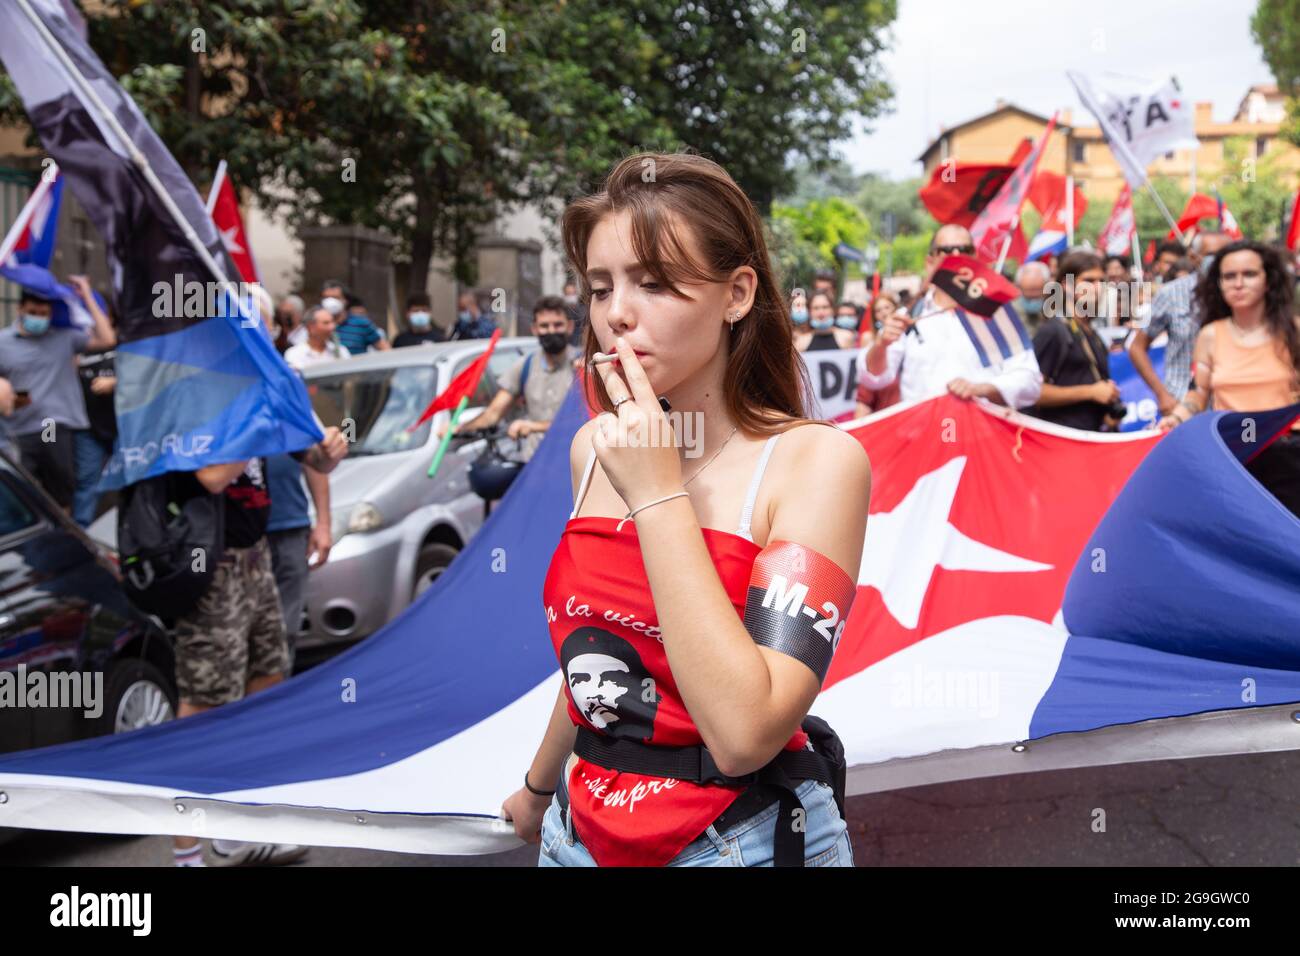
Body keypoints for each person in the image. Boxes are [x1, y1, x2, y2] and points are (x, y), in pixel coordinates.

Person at [500, 151, 868, 868]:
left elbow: (745, 731)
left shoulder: (815, 463)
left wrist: (659, 494)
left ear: (737, 294)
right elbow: (600, 655)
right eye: (600, 288)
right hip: (574, 835)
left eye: (654, 283)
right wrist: (539, 788)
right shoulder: (591, 450)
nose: (616, 316)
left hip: (744, 841)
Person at [1156, 240, 1300, 516]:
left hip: (1289, 457)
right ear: (1218, 284)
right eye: (1229, 276)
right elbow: (1198, 392)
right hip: (1234, 456)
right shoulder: (1210, 335)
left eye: (1249, 274)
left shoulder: (1293, 332)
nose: (1238, 283)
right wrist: (1175, 419)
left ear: (1268, 280)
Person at [857, 257, 1043, 408]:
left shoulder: (994, 315)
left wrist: (984, 389)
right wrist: (882, 345)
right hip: (922, 437)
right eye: (946, 251)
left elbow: (1030, 381)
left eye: (963, 251)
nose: (955, 256)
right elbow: (873, 379)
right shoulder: (907, 316)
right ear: (930, 261)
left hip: (981, 437)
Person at [0, 278, 115, 510]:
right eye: (33, 312)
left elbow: (107, 338)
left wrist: (87, 296)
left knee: (60, 485)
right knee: (23, 493)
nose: (38, 318)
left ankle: (65, 531)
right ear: (20, 309)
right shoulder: (3, 342)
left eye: (44, 313)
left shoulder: (64, 337)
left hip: (51, 425)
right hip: (15, 431)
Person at [437, 296, 580, 462]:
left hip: (575, 463)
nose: (551, 331)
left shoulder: (583, 365)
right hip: (535, 464)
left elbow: (584, 422)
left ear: (569, 327)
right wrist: (459, 429)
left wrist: (533, 426)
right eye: (544, 326)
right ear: (534, 329)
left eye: (557, 325)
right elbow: (493, 413)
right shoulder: (524, 366)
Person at [1128, 231, 1234, 418]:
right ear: (1194, 257)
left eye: (1227, 254)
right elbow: (1137, 348)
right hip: (1182, 406)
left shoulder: (1241, 295)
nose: (1221, 260)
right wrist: (1162, 395)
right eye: (1212, 255)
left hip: (1232, 408)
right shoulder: (1171, 294)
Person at [1027, 251, 1123, 432]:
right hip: (1061, 441)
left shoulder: (1092, 333)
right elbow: (1032, 392)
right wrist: (1091, 392)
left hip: (1091, 439)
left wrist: (1107, 413)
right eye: (1088, 280)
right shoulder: (1053, 331)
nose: (1097, 287)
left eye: (1101, 281)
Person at [265, 449, 332, 672]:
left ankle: (278, 695)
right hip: (240, 537)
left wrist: (323, 524)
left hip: (290, 529)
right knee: (245, 632)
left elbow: (316, 462)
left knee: (285, 629)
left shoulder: (292, 414)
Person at [73, 343, 117, 527]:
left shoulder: (128, 338)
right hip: (87, 428)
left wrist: (116, 382)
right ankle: (81, 533)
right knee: (88, 481)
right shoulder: (73, 341)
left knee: (134, 478)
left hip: (124, 425)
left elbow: (145, 375)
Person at [284, 304, 348, 370]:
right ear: (310, 327)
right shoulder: (294, 354)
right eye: (326, 323)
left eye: (332, 322)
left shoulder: (341, 351)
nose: (332, 327)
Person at [1014, 260, 1050, 336]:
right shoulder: (1010, 312)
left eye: (1037, 290)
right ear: (1019, 287)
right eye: (1029, 291)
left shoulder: (1056, 309)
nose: (1033, 296)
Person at [563, 280, 588, 347]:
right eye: (568, 294)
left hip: (581, 345)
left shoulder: (583, 310)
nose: (571, 297)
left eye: (573, 293)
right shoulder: (561, 312)